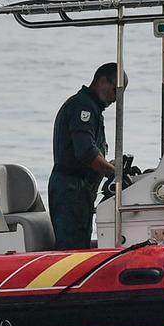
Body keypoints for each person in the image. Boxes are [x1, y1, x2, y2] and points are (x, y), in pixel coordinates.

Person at [49, 63, 122, 250]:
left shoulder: (91, 108)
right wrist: (114, 172)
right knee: (71, 247)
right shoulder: (83, 108)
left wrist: (110, 166)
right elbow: (86, 153)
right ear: (103, 81)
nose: (117, 98)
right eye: (116, 90)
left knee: (80, 243)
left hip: (80, 190)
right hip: (71, 189)